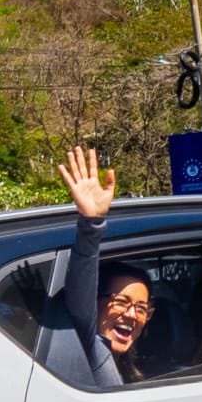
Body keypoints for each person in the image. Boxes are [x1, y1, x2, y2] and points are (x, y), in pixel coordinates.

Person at [59, 146, 152, 386]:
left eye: (142, 308)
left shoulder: (135, 369)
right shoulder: (91, 352)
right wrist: (91, 224)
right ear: (95, 303)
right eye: (121, 302)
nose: (131, 315)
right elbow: (81, 304)